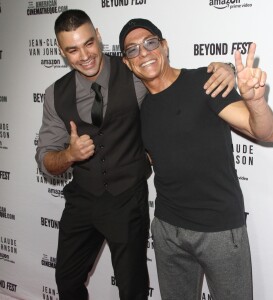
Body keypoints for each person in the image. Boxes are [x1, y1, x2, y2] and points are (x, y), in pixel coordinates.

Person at [35, 9, 236, 300]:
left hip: (127, 199)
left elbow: (179, 82)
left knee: (133, 289)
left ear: (99, 37)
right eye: (73, 50)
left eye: (89, 43)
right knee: (66, 281)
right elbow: (45, 160)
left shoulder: (134, 70)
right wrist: (68, 155)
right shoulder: (55, 94)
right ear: (61, 51)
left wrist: (225, 68)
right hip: (82, 200)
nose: (85, 55)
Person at [119, 18, 273, 300]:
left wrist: (255, 102)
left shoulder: (205, 82)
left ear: (164, 46)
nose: (143, 53)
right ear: (127, 62)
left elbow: (264, 133)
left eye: (150, 43)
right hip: (168, 231)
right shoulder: (139, 109)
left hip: (219, 230)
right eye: (132, 50)